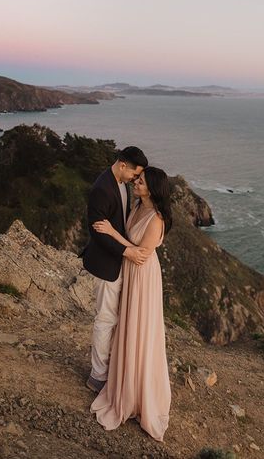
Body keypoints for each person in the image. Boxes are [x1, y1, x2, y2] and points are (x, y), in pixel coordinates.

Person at [90, 166, 172, 442]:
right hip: (130, 272)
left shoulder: (157, 219)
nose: (136, 182)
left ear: (153, 189)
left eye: (142, 181)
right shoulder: (137, 206)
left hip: (143, 276)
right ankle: (123, 380)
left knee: (139, 331)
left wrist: (112, 232)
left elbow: (139, 255)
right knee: (126, 327)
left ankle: (137, 392)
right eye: (137, 178)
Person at [82, 146, 149, 393]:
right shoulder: (102, 189)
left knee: (116, 318)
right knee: (105, 319)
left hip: (119, 263)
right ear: (123, 164)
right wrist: (128, 251)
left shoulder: (121, 183)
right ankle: (97, 376)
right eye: (135, 174)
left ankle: (112, 368)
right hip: (106, 265)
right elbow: (97, 233)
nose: (135, 180)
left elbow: (118, 225)